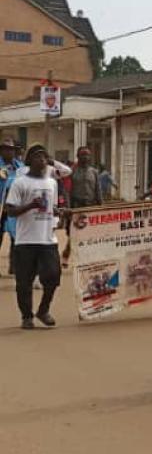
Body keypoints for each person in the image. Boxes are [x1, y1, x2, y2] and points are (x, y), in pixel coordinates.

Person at [5, 143, 67, 329]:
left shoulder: (51, 183)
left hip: (47, 239)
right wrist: (30, 206)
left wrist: (59, 212)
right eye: (38, 156)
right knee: (24, 281)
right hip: (25, 241)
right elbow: (10, 210)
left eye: (45, 157)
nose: (43, 160)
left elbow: (50, 208)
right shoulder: (20, 182)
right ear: (30, 160)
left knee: (53, 275)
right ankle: (26, 316)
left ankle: (43, 310)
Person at [0, 137, 25, 276]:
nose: (8, 152)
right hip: (0, 207)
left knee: (16, 238)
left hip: (15, 207)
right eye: (5, 149)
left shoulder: (20, 167)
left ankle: (13, 266)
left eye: (11, 149)